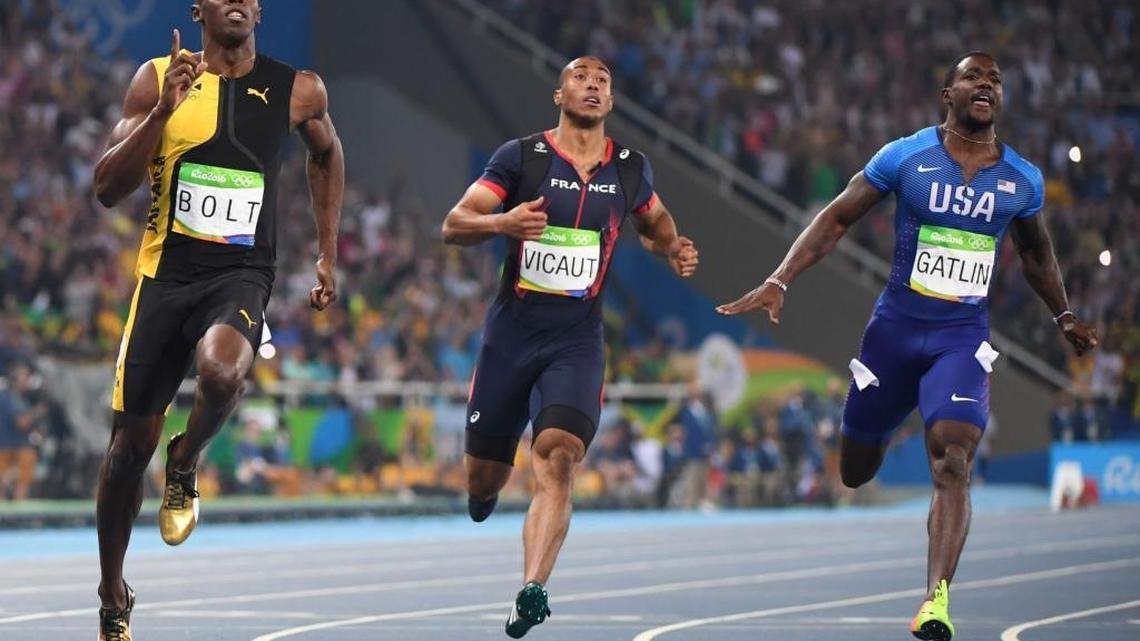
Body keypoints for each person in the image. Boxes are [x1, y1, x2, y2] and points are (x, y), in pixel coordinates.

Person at [718, 52, 1098, 641]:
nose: (986, 86)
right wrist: (780, 278)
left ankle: (935, 601)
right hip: (892, 335)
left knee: (953, 461)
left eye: (995, 80)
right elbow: (837, 219)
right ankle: (877, 421)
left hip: (961, 340)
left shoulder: (1021, 180)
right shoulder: (905, 157)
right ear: (948, 91)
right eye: (974, 77)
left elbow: (1035, 254)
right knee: (855, 471)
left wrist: (1064, 313)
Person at [91, 1, 344, 638]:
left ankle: (185, 462)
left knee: (224, 373)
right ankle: (113, 592)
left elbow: (327, 154)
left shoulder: (299, 89)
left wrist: (327, 251)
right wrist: (160, 112)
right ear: (198, 9)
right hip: (164, 279)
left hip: (241, 273)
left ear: (257, 9)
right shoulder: (156, 77)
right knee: (126, 452)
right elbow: (106, 186)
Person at [441, 56, 699, 637]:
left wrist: (674, 250)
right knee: (484, 480)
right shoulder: (522, 157)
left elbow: (657, 226)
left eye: (603, 80)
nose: (592, 84)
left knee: (558, 456)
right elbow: (454, 224)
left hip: (576, 341)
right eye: (581, 77)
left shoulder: (630, 170)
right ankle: (483, 494)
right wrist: (503, 224)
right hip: (511, 336)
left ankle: (532, 588)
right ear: (559, 93)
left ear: (610, 103)